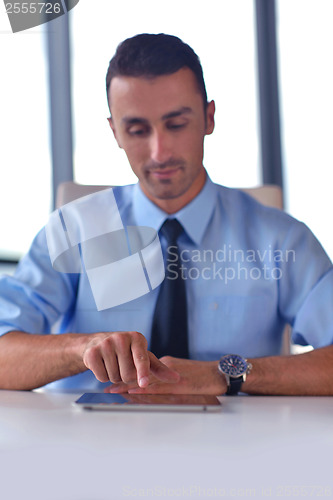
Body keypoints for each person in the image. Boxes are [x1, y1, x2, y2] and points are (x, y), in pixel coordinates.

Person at [0, 33, 332, 395]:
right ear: (115, 132)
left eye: (176, 124)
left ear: (209, 118)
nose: (159, 152)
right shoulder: (72, 230)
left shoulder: (281, 239)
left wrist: (226, 374)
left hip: (234, 446)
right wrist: (83, 349)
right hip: (91, 443)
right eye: (138, 130)